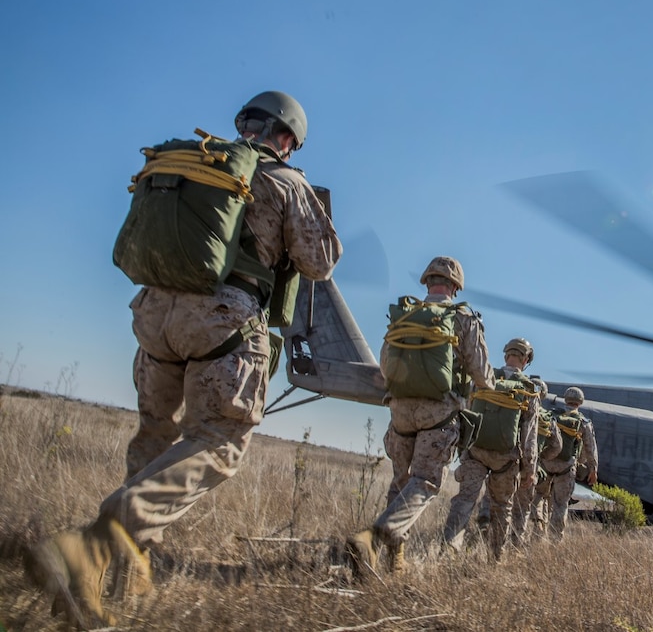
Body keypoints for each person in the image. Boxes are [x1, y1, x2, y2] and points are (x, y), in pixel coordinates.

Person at [27, 91, 341, 628]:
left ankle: (121, 575)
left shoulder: (194, 161)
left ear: (244, 123)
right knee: (219, 443)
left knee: (155, 434)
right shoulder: (286, 180)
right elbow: (320, 262)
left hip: (154, 313)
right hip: (223, 318)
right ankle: (96, 545)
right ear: (288, 138)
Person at [349, 256, 495, 574]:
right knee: (425, 482)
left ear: (427, 281)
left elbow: (385, 364)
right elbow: (483, 375)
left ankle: (395, 561)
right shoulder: (463, 317)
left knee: (401, 482)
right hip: (438, 413)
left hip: (400, 411)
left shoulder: (406, 313)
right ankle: (374, 537)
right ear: (456, 286)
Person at [443, 337, 541, 559]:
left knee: (465, 500)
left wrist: (463, 451)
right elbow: (529, 436)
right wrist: (529, 469)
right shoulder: (529, 390)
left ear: (506, 355)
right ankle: (495, 557)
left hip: (476, 452)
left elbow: (466, 413)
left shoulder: (483, 378)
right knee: (502, 507)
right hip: (506, 459)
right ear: (526, 359)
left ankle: (449, 548)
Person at [532, 386, 598, 540]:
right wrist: (593, 469)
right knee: (560, 504)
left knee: (540, 496)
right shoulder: (583, 422)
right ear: (580, 402)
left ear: (566, 399)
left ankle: (538, 530)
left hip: (546, 464)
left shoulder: (552, 416)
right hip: (566, 468)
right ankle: (556, 539)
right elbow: (590, 448)